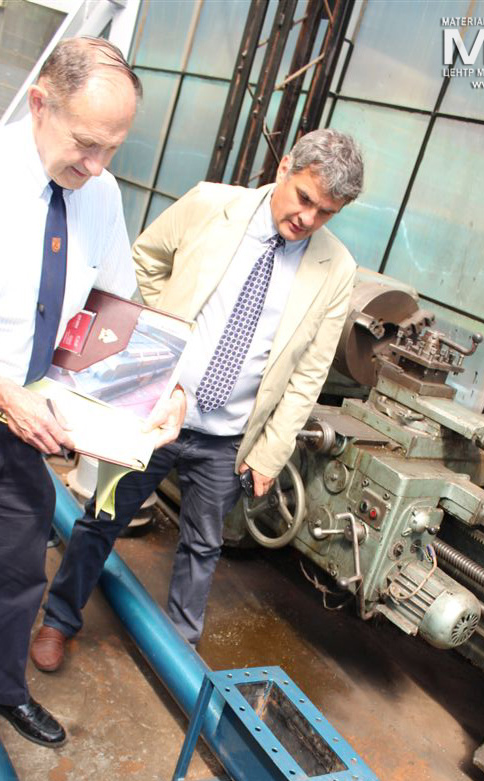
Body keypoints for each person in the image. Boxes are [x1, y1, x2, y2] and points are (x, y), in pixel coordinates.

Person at [0, 37, 183, 748]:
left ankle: (3, 692)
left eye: (112, 149)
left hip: (26, 425)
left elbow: (116, 312)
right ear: (40, 104)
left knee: (13, 572)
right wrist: (6, 390)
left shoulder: (98, 193)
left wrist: (162, 391)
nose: (97, 166)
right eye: (86, 144)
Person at [30, 128, 363, 669]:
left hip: (228, 437)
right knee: (102, 518)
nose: (308, 218)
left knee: (203, 548)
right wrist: (168, 326)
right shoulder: (212, 204)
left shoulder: (336, 268)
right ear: (283, 170)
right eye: (305, 198)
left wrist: (270, 452)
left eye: (326, 212)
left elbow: (310, 372)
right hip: (158, 409)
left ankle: (179, 655)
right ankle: (58, 620)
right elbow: (147, 257)